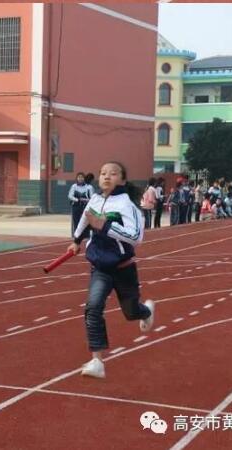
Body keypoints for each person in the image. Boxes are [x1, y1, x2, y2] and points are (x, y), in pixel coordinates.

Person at [68, 161, 154, 379]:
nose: (106, 176)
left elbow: (136, 237)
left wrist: (105, 226)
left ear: (122, 180)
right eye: (103, 173)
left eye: (113, 173)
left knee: (131, 312)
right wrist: (76, 240)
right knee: (93, 307)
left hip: (124, 268)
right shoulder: (95, 199)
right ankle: (97, 361)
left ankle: (146, 312)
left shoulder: (128, 206)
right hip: (100, 268)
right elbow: (85, 219)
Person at [69, 172, 94, 236]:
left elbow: (92, 198)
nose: (80, 178)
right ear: (76, 178)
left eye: (82, 177)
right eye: (79, 177)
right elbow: (70, 196)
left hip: (86, 206)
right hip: (76, 206)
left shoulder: (89, 187)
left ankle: (86, 236)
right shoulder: (74, 186)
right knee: (76, 221)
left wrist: (86, 200)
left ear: (84, 178)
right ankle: (76, 235)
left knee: (85, 221)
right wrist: (78, 200)